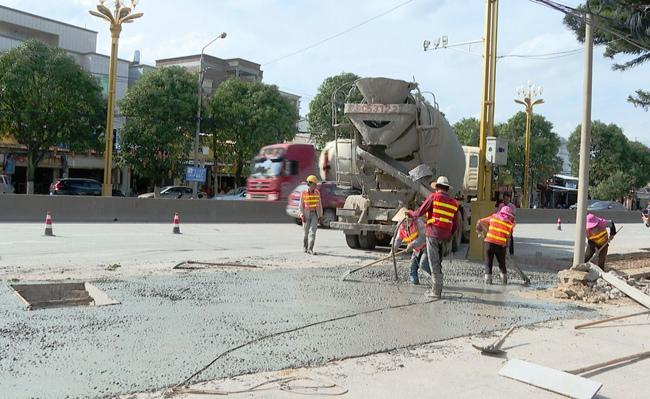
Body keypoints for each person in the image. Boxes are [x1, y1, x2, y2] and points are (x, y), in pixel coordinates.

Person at [413, 176, 461, 298]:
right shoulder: (454, 203)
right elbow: (455, 224)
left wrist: (410, 213)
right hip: (446, 237)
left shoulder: (434, 197)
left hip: (433, 234)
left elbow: (420, 212)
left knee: (433, 262)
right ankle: (437, 288)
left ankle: (436, 291)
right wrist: (449, 235)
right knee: (438, 262)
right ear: (447, 189)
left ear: (437, 188)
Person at [476, 205, 516, 285]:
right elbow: (508, 238)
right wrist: (507, 248)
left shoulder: (493, 217)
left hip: (489, 243)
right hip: (500, 246)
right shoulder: (510, 224)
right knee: (502, 264)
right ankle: (504, 282)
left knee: (488, 263)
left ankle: (488, 281)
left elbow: (479, 221)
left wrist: (484, 231)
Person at [392, 209, 431, 285]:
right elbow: (398, 240)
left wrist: (412, 245)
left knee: (423, 264)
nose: (401, 223)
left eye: (403, 221)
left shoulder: (418, 223)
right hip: (416, 250)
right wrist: (393, 251)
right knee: (412, 268)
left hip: (426, 247)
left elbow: (423, 237)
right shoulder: (401, 227)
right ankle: (415, 282)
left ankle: (435, 277)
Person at [298, 175, 323, 254]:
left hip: (315, 214)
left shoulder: (317, 192)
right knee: (305, 233)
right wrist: (301, 214)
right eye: (314, 184)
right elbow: (301, 205)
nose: (315, 186)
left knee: (313, 232)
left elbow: (320, 204)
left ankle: (310, 249)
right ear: (310, 184)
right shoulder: (304, 193)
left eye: (316, 184)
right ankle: (305, 247)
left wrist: (320, 215)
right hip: (306, 214)